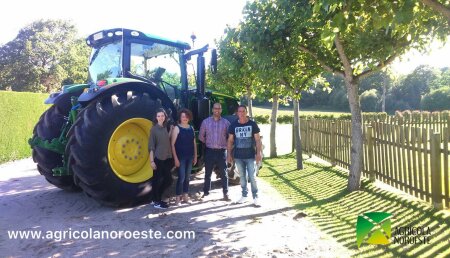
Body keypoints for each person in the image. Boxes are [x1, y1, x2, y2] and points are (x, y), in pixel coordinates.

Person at [227, 104, 262, 206]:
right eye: (239, 111)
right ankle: (244, 196)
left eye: (243, 111)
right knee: (242, 177)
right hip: (238, 156)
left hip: (250, 155)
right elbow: (230, 141)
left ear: (246, 112)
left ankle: (255, 197)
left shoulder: (252, 124)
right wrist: (229, 154)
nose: (241, 113)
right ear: (237, 113)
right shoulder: (233, 125)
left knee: (252, 176)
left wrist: (258, 153)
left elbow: (258, 140)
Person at [199, 103, 231, 201]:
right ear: (212, 110)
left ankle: (226, 193)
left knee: (224, 173)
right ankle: (206, 192)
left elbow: (230, 137)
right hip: (210, 151)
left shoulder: (226, 123)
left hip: (222, 152)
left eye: (219, 108)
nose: (217, 110)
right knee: (207, 173)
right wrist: (209, 143)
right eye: (215, 108)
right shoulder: (205, 122)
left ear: (221, 110)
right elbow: (201, 136)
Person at [148, 108, 174, 209]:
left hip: (166, 157)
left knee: (168, 180)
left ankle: (155, 198)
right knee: (157, 180)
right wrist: (151, 161)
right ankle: (157, 202)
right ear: (156, 117)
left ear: (165, 117)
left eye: (162, 116)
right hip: (158, 158)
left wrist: (171, 130)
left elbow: (166, 138)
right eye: (158, 116)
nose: (160, 117)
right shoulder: (154, 129)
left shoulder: (164, 127)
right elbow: (151, 147)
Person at [171, 108, 197, 206]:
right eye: (183, 117)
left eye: (186, 116)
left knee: (187, 178)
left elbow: (194, 143)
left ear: (189, 117)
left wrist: (195, 156)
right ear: (180, 118)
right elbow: (172, 144)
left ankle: (185, 196)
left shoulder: (191, 128)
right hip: (180, 157)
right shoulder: (177, 128)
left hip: (190, 157)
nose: (185, 118)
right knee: (181, 178)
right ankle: (178, 198)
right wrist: (176, 159)